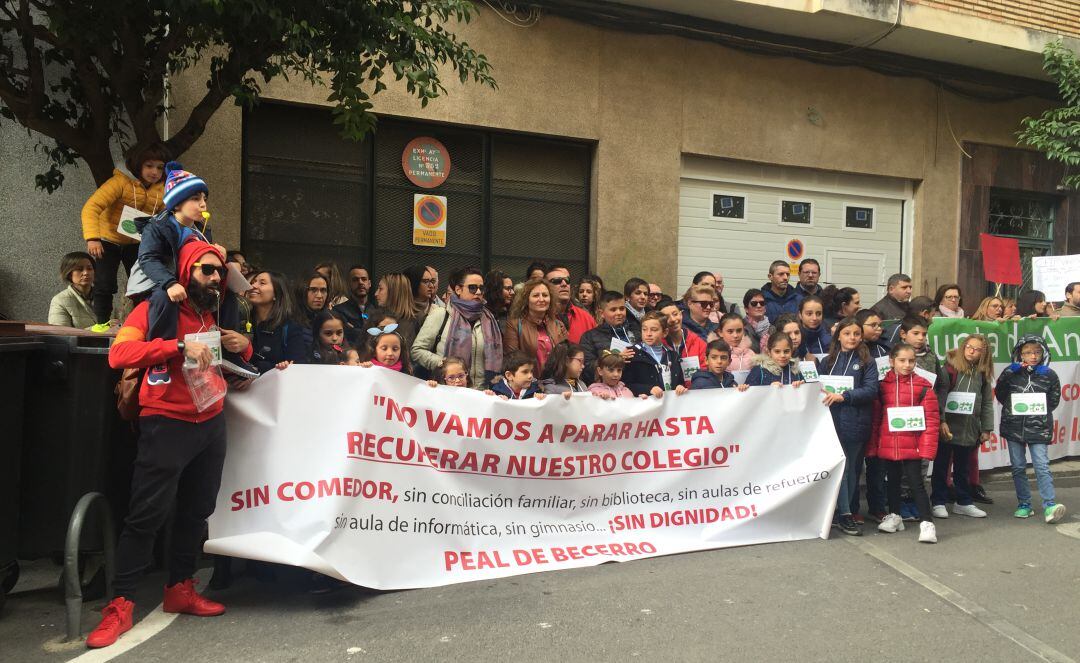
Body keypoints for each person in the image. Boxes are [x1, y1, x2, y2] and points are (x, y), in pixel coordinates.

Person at [88, 241, 252, 649]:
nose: (215, 279)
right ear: (185, 273)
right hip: (165, 424)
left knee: (197, 512)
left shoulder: (214, 315)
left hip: (210, 422)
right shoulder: (153, 308)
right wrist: (178, 347)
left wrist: (241, 348)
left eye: (218, 273)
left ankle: (180, 588)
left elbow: (232, 363)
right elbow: (119, 353)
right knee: (146, 516)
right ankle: (121, 604)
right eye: (206, 271)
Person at [81, 143, 168, 322]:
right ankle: (102, 324)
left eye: (160, 167)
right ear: (137, 164)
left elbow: (165, 216)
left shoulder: (162, 189)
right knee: (104, 284)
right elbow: (91, 207)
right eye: (149, 166)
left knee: (143, 285)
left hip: (137, 242)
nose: (155, 172)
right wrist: (93, 238)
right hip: (107, 240)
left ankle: (142, 323)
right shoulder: (119, 182)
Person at [869, 342, 940, 544]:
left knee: (916, 483)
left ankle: (927, 523)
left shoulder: (924, 386)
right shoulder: (882, 386)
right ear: (891, 361)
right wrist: (875, 445)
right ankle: (895, 515)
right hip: (890, 443)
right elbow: (877, 418)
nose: (907, 365)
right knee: (892, 481)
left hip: (913, 445)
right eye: (902, 360)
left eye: (911, 361)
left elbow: (932, 419)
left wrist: (926, 448)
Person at [819, 318, 879, 536]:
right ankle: (843, 513)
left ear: (861, 336)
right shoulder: (827, 361)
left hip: (856, 422)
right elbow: (816, 387)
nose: (852, 338)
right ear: (839, 336)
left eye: (856, 334)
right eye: (847, 333)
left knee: (851, 469)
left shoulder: (867, 362)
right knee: (840, 469)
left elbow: (871, 390)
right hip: (830, 423)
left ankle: (845, 513)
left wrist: (844, 396)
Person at [996, 335, 1066, 523]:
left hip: (1039, 427)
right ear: (1020, 354)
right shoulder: (1010, 373)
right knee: (1018, 467)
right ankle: (1024, 504)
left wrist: (1036, 412)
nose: (1033, 356)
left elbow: (1053, 401)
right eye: (1028, 352)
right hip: (1013, 427)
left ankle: (1050, 505)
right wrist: (1010, 372)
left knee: (1041, 465)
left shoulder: (1049, 374)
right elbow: (1001, 394)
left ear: (1043, 353)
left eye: (1037, 352)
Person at [931, 334, 994, 519]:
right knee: (941, 466)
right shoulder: (949, 369)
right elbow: (940, 397)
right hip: (948, 427)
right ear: (963, 347)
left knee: (963, 468)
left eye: (977, 350)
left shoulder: (982, 374)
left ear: (984, 354)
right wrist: (941, 421)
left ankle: (963, 502)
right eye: (969, 347)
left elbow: (987, 402)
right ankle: (938, 501)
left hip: (969, 428)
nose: (972, 352)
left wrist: (986, 428)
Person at [411, 266, 503, 390]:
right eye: (472, 288)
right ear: (458, 289)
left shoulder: (489, 319)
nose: (478, 292)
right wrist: (443, 363)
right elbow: (417, 350)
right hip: (448, 392)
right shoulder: (441, 314)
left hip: (483, 394)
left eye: (482, 288)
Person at [246, 271, 307, 374]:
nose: (253, 286)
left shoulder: (290, 326)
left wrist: (256, 372)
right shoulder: (242, 319)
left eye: (262, 283)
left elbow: (297, 366)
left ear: (276, 293)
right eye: (253, 282)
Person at [503, 279, 567, 374]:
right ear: (526, 300)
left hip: (555, 384)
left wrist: (570, 383)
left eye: (545, 295)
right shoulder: (515, 325)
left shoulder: (558, 325)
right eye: (536, 295)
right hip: (529, 384)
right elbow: (512, 361)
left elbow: (567, 359)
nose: (541, 299)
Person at [623, 311, 686, 397]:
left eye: (654, 330)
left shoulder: (673, 355)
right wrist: (648, 389)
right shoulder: (631, 353)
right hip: (646, 406)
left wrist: (680, 387)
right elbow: (625, 385)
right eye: (644, 329)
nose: (648, 334)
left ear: (665, 332)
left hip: (670, 404)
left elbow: (680, 381)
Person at [579, 290, 637, 383]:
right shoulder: (590, 337)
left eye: (622, 308)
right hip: (607, 392)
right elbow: (587, 369)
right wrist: (615, 358)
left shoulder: (636, 331)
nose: (619, 313)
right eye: (613, 310)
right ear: (601, 313)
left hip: (638, 388)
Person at [49, 252, 107, 330]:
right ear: (69, 273)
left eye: (89, 268)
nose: (86, 273)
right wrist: (96, 329)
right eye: (79, 269)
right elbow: (60, 334)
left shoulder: (104, 297)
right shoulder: (60, 300)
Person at [657, 299, 707, 384]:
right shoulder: (657, 345)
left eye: (675, 314)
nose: (672, 319)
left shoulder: (699, 343)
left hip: (694, 392)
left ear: (681, 314)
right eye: (666, 317)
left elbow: (705, 371)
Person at [546, 265, 596, 343]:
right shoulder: (539, 318)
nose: (564, 284)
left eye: (567, 280)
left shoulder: (586, 318)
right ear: (546, 287)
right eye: (557, 281)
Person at [370, 272, 418, 348]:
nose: (376, 293)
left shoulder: (410, 325)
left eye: (380, 289)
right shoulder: (375, 317)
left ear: (394, 291)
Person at [335, 264, 371, 344]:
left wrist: (354, 330)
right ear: (348, 284)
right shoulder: (338, 311)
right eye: (355, 280)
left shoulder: (376, 311)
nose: (360, 282)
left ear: (369, 284)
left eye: (364, 279)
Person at [797, 295, 831, 360]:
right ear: (800, 315)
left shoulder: (830, 339)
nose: (814, 318)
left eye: (818, 314)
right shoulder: (794, 338)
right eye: (809, 314)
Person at [742, 288, 769, 353]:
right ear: (746, 309)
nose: (759, 306)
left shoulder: (772, 329)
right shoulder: (741, 329)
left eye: (762, 303)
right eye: (754, 303)